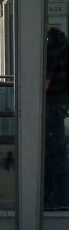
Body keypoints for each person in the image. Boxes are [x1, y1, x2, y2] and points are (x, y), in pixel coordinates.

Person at [44, 27, 69, 211]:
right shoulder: (65, 49)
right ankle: (54, 197)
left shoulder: (51, 51)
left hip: (50, 105)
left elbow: (45, 81)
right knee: (56, 151)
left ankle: (59, 198)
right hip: (60, 104)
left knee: (54, 153)